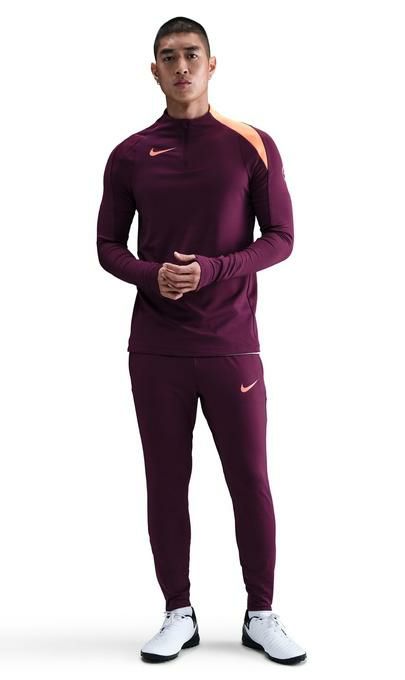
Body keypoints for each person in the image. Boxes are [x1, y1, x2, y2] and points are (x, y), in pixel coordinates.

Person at [96, 16, 306, 665]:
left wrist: (215, 269)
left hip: (231, 343)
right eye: (168, 56)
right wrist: (151, 275)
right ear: (154, 71)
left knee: (249, 479)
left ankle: (261, 613)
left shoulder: (251, 144)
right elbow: (107, 246)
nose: (181, 66)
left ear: (212, 64)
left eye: (191, 54)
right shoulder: (130, 154)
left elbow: (281, 237)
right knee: (166, 481)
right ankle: (177, 612)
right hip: (156, 348)